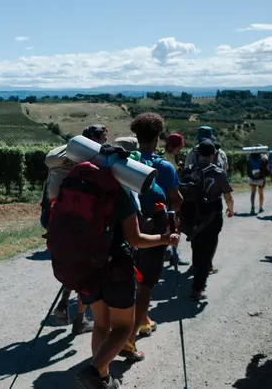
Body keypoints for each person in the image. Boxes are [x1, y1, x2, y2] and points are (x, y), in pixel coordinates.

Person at [77, 179, 181, 389]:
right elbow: (135, 239)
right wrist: (165, 239)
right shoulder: (120, 191)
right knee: (123, 326)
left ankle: (103, 378)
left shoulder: (82, 185)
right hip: (115, 267)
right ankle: (95, 372)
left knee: (101, 324)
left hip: (87, 264)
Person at [117, 112, 185, 361]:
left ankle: (128, 327)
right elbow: (176, 200)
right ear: (158, 138)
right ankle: (129, 341)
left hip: (123, 232)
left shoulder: (122, 162)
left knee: (124, 283)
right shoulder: (164, 167)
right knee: (144, 287)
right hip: (152, 235)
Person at [47, 124, 109, 334]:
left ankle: (65, 303)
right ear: (96, 139)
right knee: (85, 268)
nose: (106, 143)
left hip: (57, 220)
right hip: (81, 223)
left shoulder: (67, 158)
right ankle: (79, 319)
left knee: (70, 262)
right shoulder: (94, 162)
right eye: (104, 139)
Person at [182, 139, 234, 300]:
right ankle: (198, 289)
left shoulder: (188, 170)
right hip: (212, 216)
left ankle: (196, 270)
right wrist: (230, 209)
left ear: (197, 154)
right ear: (214, 154)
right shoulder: (218, 173)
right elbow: (228, 196)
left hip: (192, 216)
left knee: (196, 248)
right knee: (207, 252)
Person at [247, 150, 268, 215]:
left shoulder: (250, 157)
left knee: (253, 193)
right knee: (261, 193)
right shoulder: (264, 157)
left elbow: (248, 167)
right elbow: (267, 167)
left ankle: (252, 207)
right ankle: (260, 207)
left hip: (252, 178)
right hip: (261, 178)